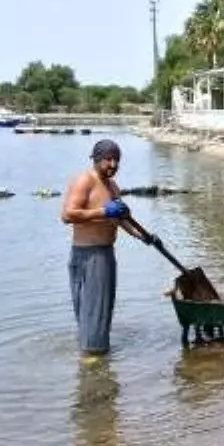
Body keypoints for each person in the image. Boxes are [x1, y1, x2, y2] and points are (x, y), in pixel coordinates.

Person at [60, 139, 155, 360]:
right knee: (93, 309)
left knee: (102, 309)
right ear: (96, 159)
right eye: (108, 159)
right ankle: (92, 358)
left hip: (106, 254)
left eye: (117, 160)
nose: (113, 164)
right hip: (87, 254)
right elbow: (67, 215)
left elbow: (121, 220)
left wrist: (144, 236)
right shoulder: (85, 181)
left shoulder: (113, 187)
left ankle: (94, 353)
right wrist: (103, 212)